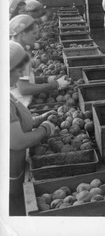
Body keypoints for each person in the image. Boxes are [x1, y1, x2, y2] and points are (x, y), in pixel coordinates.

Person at [9, 40, 57, 215]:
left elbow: (18, 121)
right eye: (19, 68)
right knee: (13, 208)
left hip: (16, 166)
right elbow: (18, 141)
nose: (23, 72)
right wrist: (45, 129)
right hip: (10, 171)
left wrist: (38, 120)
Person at [9, 15, 70, 107]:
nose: (36, 37)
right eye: (33, 33)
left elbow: (22, 81)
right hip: (18, 105)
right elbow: (24, 89)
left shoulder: (14, 48)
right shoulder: (18, 54)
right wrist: (55, 84)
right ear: (22, 33)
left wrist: (45, 79)